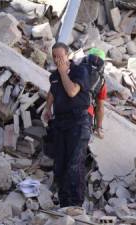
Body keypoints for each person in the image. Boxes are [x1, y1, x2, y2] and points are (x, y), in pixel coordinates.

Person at [43, 42, 91, 207]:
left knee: (74, 164)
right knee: (60, 164)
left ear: (68, 55)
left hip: (78, 122)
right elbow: (52, 90)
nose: (57, 60)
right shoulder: (55, 76)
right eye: (55, 56)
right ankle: (65, 204)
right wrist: (48, 107)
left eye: (60, 56)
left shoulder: (80, 71)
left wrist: (64, 73)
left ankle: (76, 204)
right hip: (60, 123)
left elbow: (72, 91)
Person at [85, 48, 108, 139]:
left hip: (65, 107)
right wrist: (99, 127)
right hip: (86, 115)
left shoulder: (75, 69)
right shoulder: (101, 81)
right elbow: (100, 108)